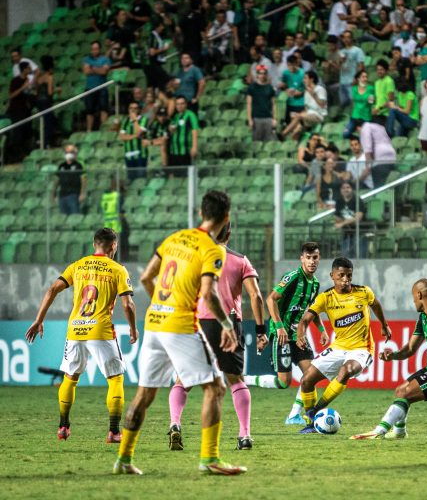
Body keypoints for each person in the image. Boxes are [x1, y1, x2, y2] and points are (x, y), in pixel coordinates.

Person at [114, 190, 246, 476]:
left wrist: (163, 304)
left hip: (154, 324)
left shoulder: (174, 238)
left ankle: (123, 459)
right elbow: (209, 296)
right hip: (180, 326)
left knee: (144, 395)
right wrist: (227, 326)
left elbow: (147, 277)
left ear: (201, 213)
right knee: (216, 387)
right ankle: (209, 458)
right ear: (226, 218)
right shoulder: (212, 249)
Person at [25, 228, 138, 442]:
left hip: (75, 329)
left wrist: (39, 319)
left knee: (70, 378)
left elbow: (51, 290)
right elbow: (128, 304)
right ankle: (114, 431)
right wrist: (133, 328)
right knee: (115, 380)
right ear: (113, 246)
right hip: (100, 330)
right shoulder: (118, 269)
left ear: (94, 244)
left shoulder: (78, 266)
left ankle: (63, 427)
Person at [167, 223, 266, 452]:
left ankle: (175, 424)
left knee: (183, 380)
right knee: (236, 380)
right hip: (228, 324)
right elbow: (256, 297)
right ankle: (244, 435)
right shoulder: (241, 260)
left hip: (198, 323)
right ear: (229, 233)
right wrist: (260, 331)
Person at [350, 278, 427, 440]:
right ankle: (399, 432)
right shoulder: (423, 318)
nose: (413, 302)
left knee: (406, 392)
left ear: (419, 294)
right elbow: (411, 348)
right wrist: (394, 355)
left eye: (413, 297)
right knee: (400, 391)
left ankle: (379, 431)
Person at [295, 257, 392, 433]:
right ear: (332, 275)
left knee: (346, 371)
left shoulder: (363, 292)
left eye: (349, 275)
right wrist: (300, 333)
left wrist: (384, 325)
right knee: (306, 380)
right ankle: (311, 422)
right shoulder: (325, 298)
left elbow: (376, 304)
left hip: (362, 349)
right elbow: (306, 319)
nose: (346, 279)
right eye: (341, 275)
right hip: (338, 347)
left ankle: (315, 412)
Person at [245, 242, 323, 425]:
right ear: (302, 258)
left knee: (311, 374)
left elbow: (311, 309)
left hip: (298, 335)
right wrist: (279, 326)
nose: (312, 261)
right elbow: (270, 299)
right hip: (281, 334)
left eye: (315, 258)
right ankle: (245, 379)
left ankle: (294, 415)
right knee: (283, 382)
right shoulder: (292, 277)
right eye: (309, 258)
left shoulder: (315, 284)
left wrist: (321, 330)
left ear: (319, 259)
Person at [281, 70, 327, 140]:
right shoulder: (306, 91)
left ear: (311, 79)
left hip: (318, 115)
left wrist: (313, 93)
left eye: (305, 78)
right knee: (295, 128)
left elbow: (322, 104)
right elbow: (306, 108)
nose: (303, 80)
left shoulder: (320, 89)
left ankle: (283, 134)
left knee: (298, 116)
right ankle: (294, 144)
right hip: (308, 115)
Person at [82, 41, 111, 132]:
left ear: (99, 49)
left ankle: (104, 130)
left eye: (96, 49)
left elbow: (104, 71)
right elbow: (86, 71)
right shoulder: (86, 59)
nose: (94, 51)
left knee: (103, 109)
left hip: (102, 87)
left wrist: (92, 68)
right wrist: (99, 68)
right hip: (90, 88)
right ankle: (89, 130)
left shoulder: (105, 59)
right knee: (89, 110)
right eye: (93, 49)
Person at [168, 96, 199, 175]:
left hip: (185, 151)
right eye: (177, 104)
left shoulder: (191, 115)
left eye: (182, 104)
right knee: (175, 174)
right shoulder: (175, 116)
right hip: (174, 151)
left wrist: (194, 147)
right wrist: (171, 130)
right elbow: (171, 132)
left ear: (186, 104)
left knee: (185, 174)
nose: (180, 106)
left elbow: (194, 130)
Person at [335, 181, 368, 258]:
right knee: (345, 258)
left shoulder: (357, 200)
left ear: (352, 189)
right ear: (340, 190)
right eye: (343, 188)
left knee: (360, 257)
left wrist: (342, 223)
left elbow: (358, 217)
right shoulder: (339, 201)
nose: (345, 190)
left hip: (359, 233)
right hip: (346, 234)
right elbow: (338, 217)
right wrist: (339, 223)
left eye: (348, 187)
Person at [360, 121, 397, 188]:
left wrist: (367, 167)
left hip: (380, 160)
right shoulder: (380, 127)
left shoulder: (366, 126)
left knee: (379, 188)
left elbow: (368, 148)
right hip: (391, 157)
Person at [52, 145, 87, 215]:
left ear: (75, 153)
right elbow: (57, 180)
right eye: (67, 152)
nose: (68, 154)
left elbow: (84, 179)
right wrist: (53, 193)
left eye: (71, 152)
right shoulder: (61, 166)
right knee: (64, 217)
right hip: (62, 195)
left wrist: (82, 193)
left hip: (74, 194)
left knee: (75, 216)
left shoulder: (79, 165)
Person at [119, 102, 150, 181]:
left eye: (135, 108)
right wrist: (135, 136)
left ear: (139, 110)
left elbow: (139, 132)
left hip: (141, 155)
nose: (133, 110)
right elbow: (122, 137)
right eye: (131, 108)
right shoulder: (125, 121)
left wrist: (134, 120)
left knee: (141, 180)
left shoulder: (144, 119)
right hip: (128, 154)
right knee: (131, 180)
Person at [246, 65, 277, 142]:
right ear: (257, 75)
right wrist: (250, 119)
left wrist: (274, 119)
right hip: (256, 118)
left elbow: (273, 104)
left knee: (269, 141)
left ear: (266, 75)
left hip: (268, 118)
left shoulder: (270, 88)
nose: (262, 75)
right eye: (260, 73)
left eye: (264, 73)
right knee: (256, 142)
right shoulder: (252, 88)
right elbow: (249, 104)